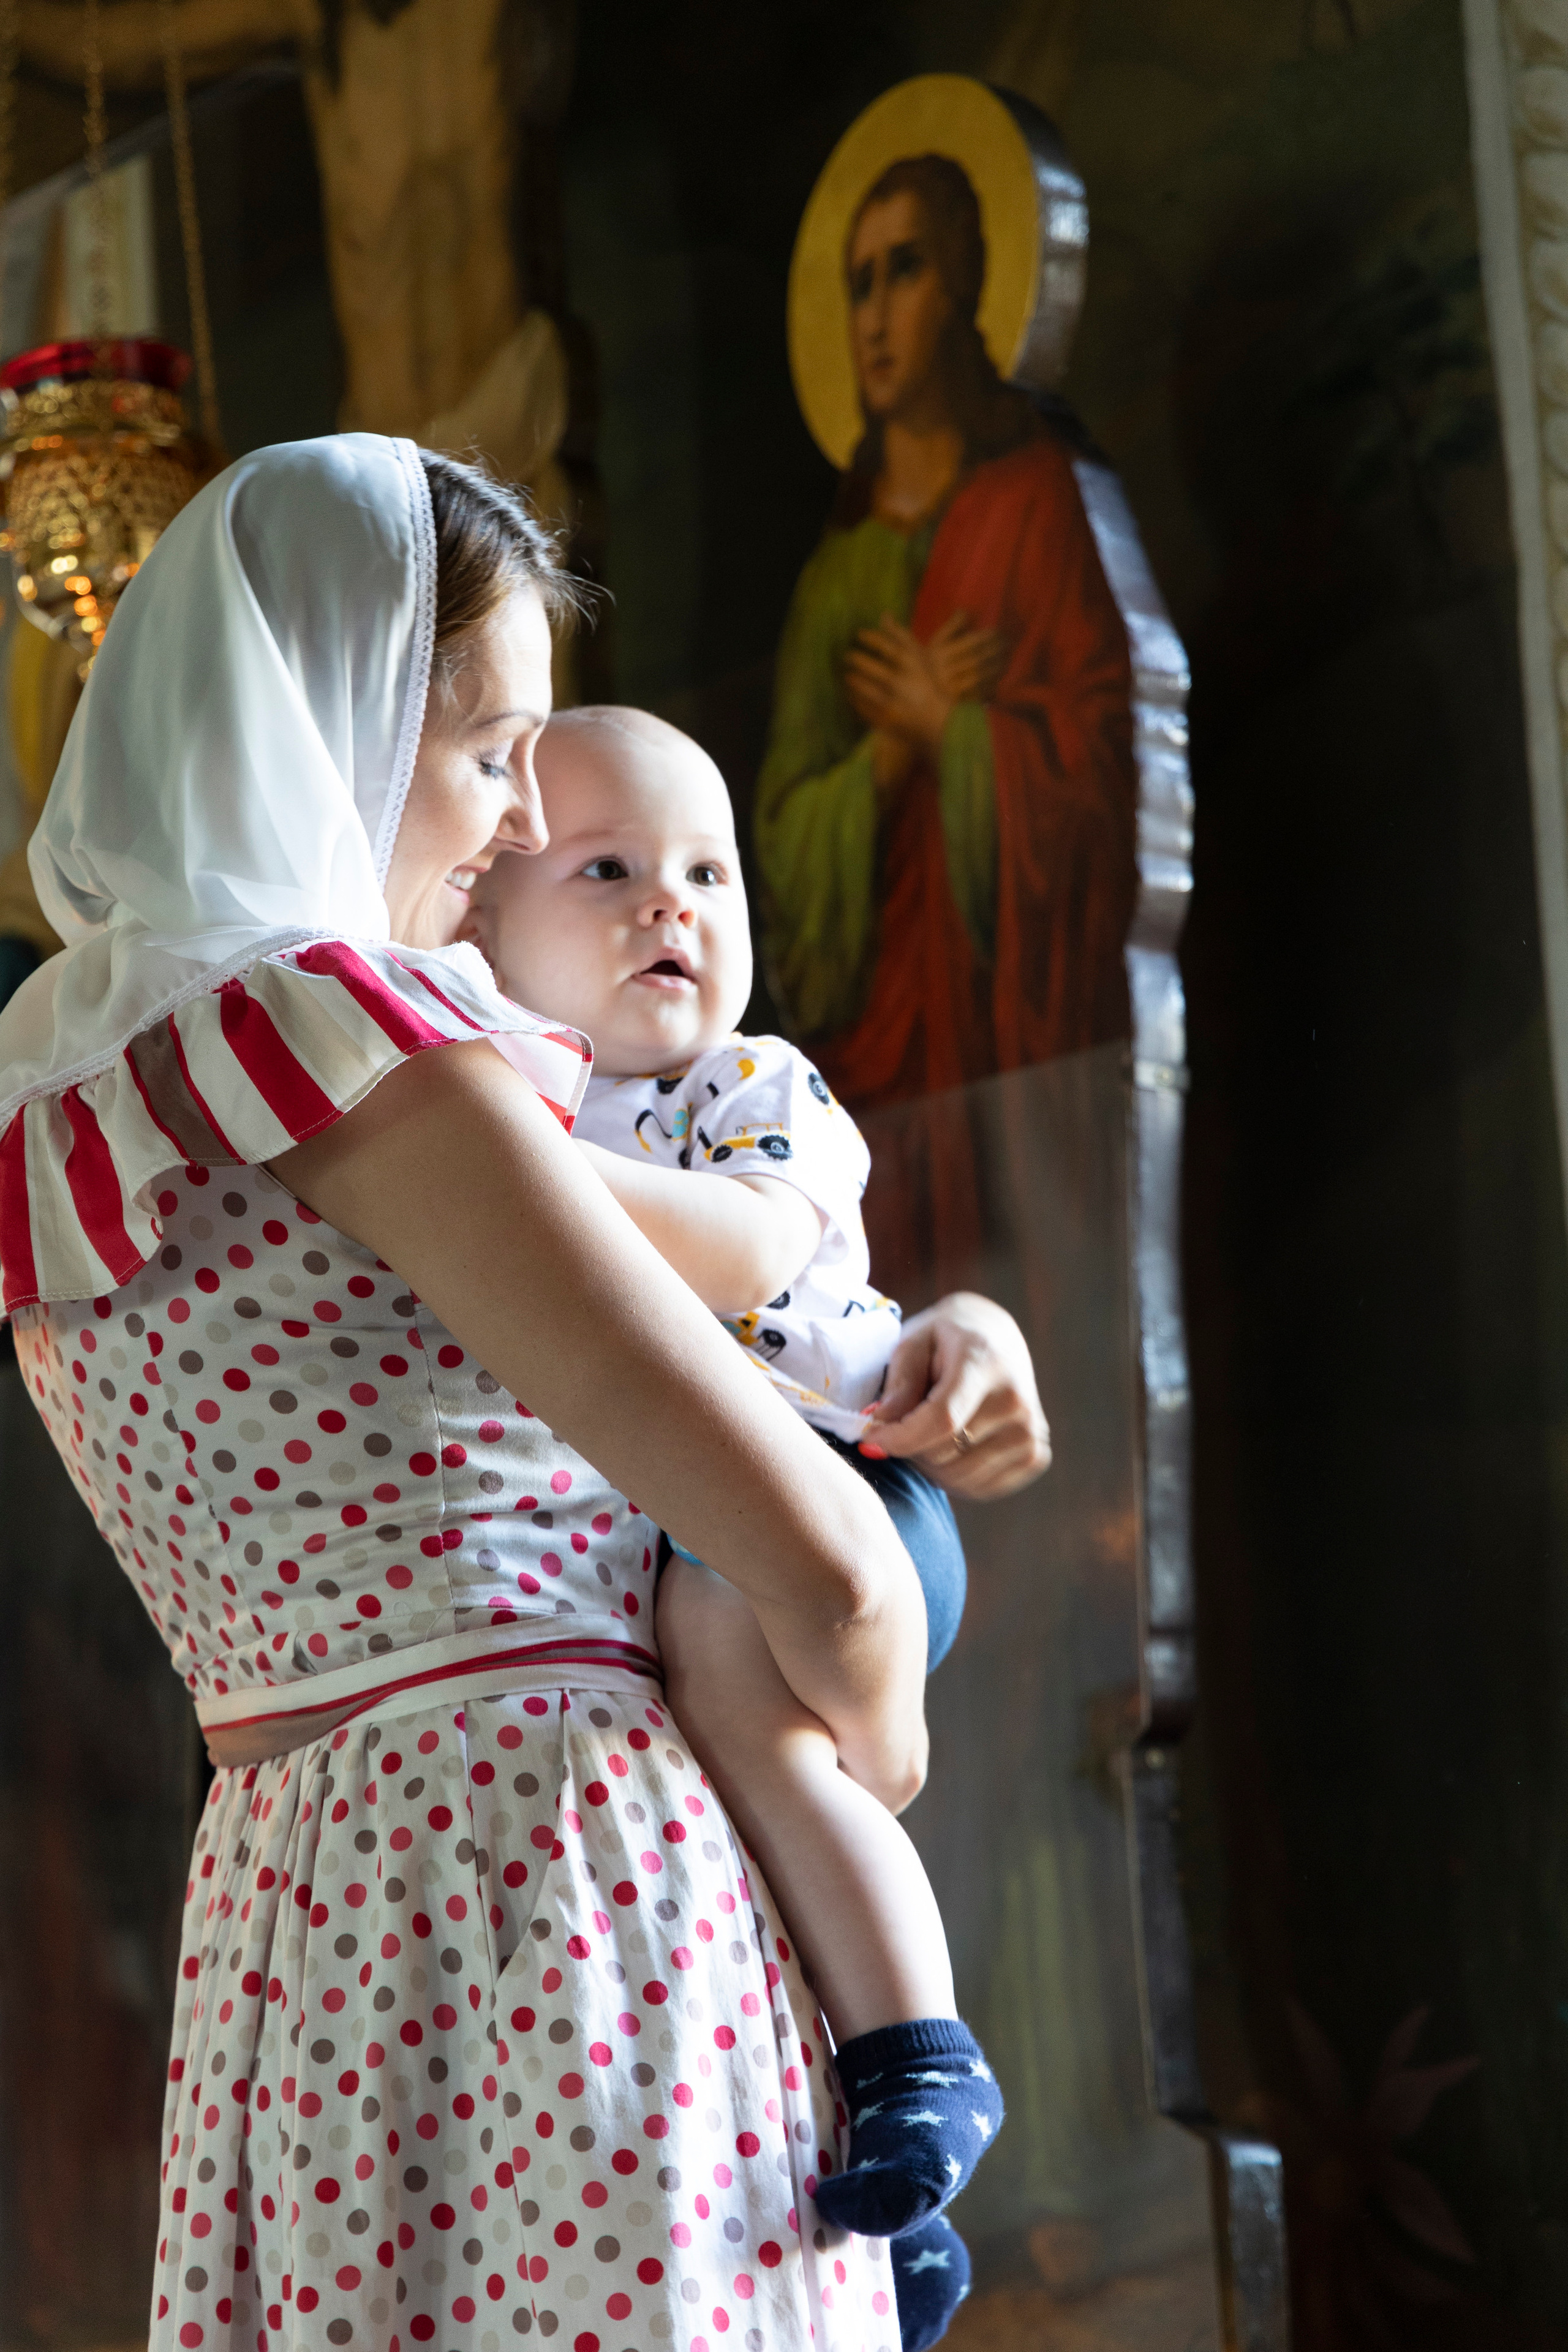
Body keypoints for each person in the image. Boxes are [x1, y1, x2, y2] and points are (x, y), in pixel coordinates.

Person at [0, 437, 1047, 2352]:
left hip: (294, 1925)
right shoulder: (352, 1037)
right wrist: (869, 1736)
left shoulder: (66, 1087)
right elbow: (828, 1578)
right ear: (333, 716)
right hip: (558, 1887)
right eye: (488, 754)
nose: (504, 828)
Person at [461, 703, 1005, 2260]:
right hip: (704, 1516)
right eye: (610, 868)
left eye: (709, 872)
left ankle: (922, 2052)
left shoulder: (742, 1082)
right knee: (738, 1832)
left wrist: (516, 1158)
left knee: (723, 1680)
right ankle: (888, 2196)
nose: (671, 904)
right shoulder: (517, 1090)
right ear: (481, 924)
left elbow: (755, 1243)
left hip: (842, 1482)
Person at [754, 153, 1139, 1283]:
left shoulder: (1041, 504)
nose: (874, 316)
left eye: (905, 272)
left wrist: (960, 735)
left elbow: (1115, 767)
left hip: (1025, 1031)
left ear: (969, 285)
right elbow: (777, 831)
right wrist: (888, 755)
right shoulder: (836, 574)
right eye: (858, 283)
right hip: (881, 1051)